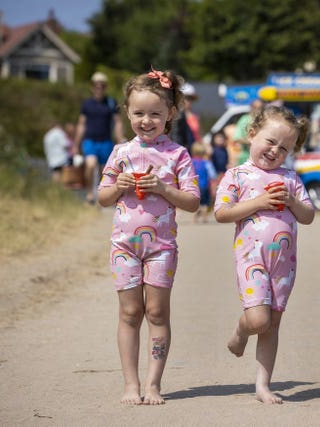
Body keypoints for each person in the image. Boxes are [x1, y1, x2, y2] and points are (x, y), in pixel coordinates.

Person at [97, 68, 200, 405]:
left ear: (170, 113)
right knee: (129, 313)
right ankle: (131, 384)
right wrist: (117, 187)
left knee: (156, 313)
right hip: (124, 246)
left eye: (155, 113)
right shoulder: (120, 153)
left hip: (161, 248)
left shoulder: (178, 155)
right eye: (139, 113)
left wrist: (164, 188)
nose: (146, 120)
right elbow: (101, 196)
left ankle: (154, 384)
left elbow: (193, 201)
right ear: (127, 111)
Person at [214, 104, 315, 404]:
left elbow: (308, 215)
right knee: (258, 320)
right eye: (270, 142)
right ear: (252, 134)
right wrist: (258, 201)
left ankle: (263, 385)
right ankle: (241, 331)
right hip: (252, 260)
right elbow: (222, 213)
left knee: (272, 323)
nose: (275, 151)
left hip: (284, 264)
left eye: (284, 148)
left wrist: (293, 202)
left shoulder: (291, 179)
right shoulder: (238, 175)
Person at [74, 71, 125, 204]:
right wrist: (76, 144)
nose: (99, 88)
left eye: (102, 85)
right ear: (92, 86)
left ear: (105, 87)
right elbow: (81, 124)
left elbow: (118, 122)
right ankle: (90, 194)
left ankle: (104, 196)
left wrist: (120, 139)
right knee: (90, 165)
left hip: (106, 142)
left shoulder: (111, 102)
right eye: (96, 85)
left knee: (106, 172)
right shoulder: (87, 104)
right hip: (90, 141)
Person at [233, 99, 264, 166]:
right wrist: (252, 142)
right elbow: (236, 138)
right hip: (245, 157)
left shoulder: (264, 121)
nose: (258, 110)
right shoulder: (244, 119)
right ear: (251, 108)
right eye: (255, 107)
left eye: (260, 108)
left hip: (261, 157)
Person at [191, 141, 216, 223]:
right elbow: (212, 175)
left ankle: (194, 218)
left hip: (193, 186)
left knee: (195, 203)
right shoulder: (207, 163)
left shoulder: (190, 162)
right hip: (205, 186)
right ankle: (204, 218)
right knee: (205, 202)